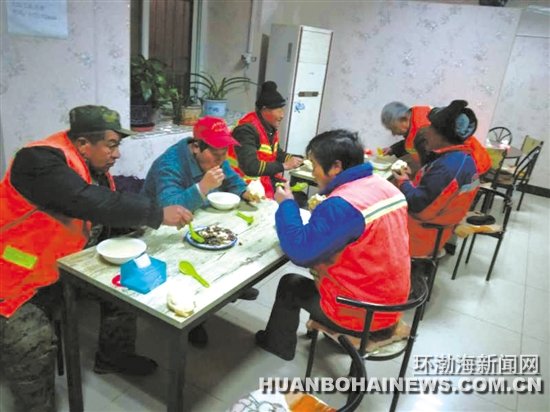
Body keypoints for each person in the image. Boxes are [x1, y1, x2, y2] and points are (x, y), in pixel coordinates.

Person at [0, 105, 192, 412]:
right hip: (21, 275)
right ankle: (36, 407)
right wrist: (156, 214)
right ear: (82, 144)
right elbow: (85, 200)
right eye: (111, 145)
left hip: (70, 263)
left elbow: (105, 211)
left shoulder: (93, 167)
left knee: (125, 286)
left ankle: (113, 357)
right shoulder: (37, 161)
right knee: (29, 341)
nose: (117, 154)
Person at [255, 129, 411, 361]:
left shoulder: (343, 204)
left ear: (336, 166)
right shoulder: (385, 186)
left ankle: (278, 346)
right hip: (393, 301)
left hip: (364, 312)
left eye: (314, 165)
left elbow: (300, 251)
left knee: (291, 284)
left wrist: (287, 204)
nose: (313, 172)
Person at [141, 116, 260, 347]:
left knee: (232, 239)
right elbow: (169, 210)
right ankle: (193, 319)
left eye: (225, 153)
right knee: (196, 262)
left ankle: (232, 288)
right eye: (216, 154)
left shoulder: (216, 157)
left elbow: (232, 181)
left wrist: (246, 192)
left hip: (198, 218)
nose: (221, 159)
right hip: (160, 232)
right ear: (196, 146)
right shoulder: (169, 164)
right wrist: (203, 187)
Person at [392, 100, 481, 258]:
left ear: (441, 136)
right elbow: (435, 195)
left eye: (431, 128)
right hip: (439, 231)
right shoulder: (463, 159)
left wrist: (403, 180)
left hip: (419, 236)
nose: (427, 132)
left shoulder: (447, 168)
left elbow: (418, 208)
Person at [229, 81, 303, 199]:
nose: (282, 115)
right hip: (244, 187)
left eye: (282, 110)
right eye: (278, 111)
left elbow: (276, 153)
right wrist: (284, 166)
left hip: (264, 182)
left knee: (300, 197)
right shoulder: (246, 130)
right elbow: (250, 167)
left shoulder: (268, 127)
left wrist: (298, 160)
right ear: (264, 109)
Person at [381, 101, 490, 176]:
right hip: (467, 163)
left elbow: (428, 165)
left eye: (393, 128)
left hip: (473, 165)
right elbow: (412, 142)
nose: (393, 133)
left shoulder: (423, 128)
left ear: (403, 120)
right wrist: (393, 149)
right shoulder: (416, 116)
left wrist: (404, 179)